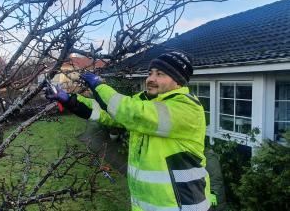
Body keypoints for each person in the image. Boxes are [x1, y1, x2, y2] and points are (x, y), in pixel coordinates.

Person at [46, 50, 213, 211]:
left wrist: (100, 86)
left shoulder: (187, 108)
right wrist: (72, 100)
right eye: (150, 73)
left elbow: (132, 113)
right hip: (144, 204)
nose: (150, 79)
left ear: (178, 81)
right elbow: (109, 113)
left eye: (160, 74)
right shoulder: (146, 102)